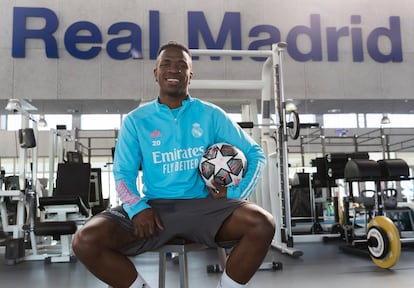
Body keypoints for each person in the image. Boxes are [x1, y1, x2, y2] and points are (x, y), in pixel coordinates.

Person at [72, 41, 275, 288]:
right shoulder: (137, 120)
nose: (174, 70)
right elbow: (123, 173)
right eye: (166, 64)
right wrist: (137, 207)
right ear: (156, 73)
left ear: (190, 75)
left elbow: (256, 154)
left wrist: (234, 194)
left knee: (263, 224)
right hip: (154, 209)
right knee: (85, 239)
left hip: (203, 208)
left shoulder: (211, 115)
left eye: (182, 66)